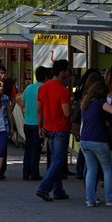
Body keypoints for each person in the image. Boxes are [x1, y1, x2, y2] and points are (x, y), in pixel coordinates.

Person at [80, 78, 112, 207]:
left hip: (84, 140)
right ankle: (110, 198)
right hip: (98, 139)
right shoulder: (100, 101)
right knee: (108, 169)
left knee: (91, 170)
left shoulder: (85, 102)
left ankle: (90, 199)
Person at [36, 59, 72, 202]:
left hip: (48, 128)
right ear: (62, 72)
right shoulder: (63, 90)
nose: (69, 74)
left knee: (55, 160)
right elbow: (67, 113)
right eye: (68, 71)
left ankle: (58, 190)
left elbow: (39, 109)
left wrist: (40, 127)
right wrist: (74, 107)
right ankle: (44, 188)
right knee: (58, 160)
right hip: (61, 128)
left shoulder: (43, 88)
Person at [21, 66, 49, 181]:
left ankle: (25, 172)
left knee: (28, 148)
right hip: (38, 123)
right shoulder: (45, 88)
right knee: (36, 149)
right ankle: (34, 173)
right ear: (46, 76)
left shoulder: (28, 88)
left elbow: (22, 104)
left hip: (27, 123)